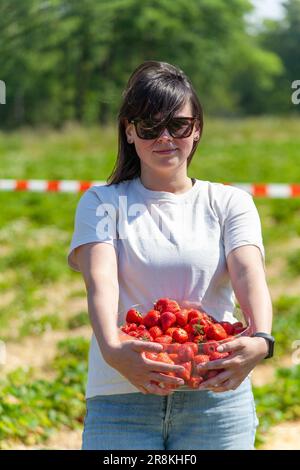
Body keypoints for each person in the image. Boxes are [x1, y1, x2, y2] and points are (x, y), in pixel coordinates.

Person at [67, 60, 273, 450]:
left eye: (177, 125)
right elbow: (101, 283)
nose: (165, 137)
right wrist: (114, 350)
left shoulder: (229, 202)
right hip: (121, 394)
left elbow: (249, 274)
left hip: (214, 392)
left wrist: (261, 338)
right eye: (149, 126)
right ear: (129, 132)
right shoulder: (102, 202)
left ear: (195, 129)